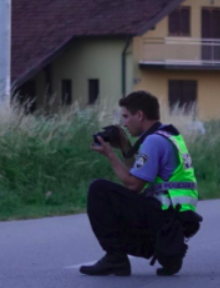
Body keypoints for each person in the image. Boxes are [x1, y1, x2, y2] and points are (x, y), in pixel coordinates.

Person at [81, 90, 200, 277]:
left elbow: (134, 185)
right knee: (134, 198)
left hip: (164, 216)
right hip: (178, 218)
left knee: (99, 189)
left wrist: (110, 155)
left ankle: (115, 258)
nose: (125, 123)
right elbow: (140, 177)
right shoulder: (169, 135)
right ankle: (168, 253)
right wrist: (125, 148)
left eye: (126, 116)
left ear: (140, 115)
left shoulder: (153, 141)